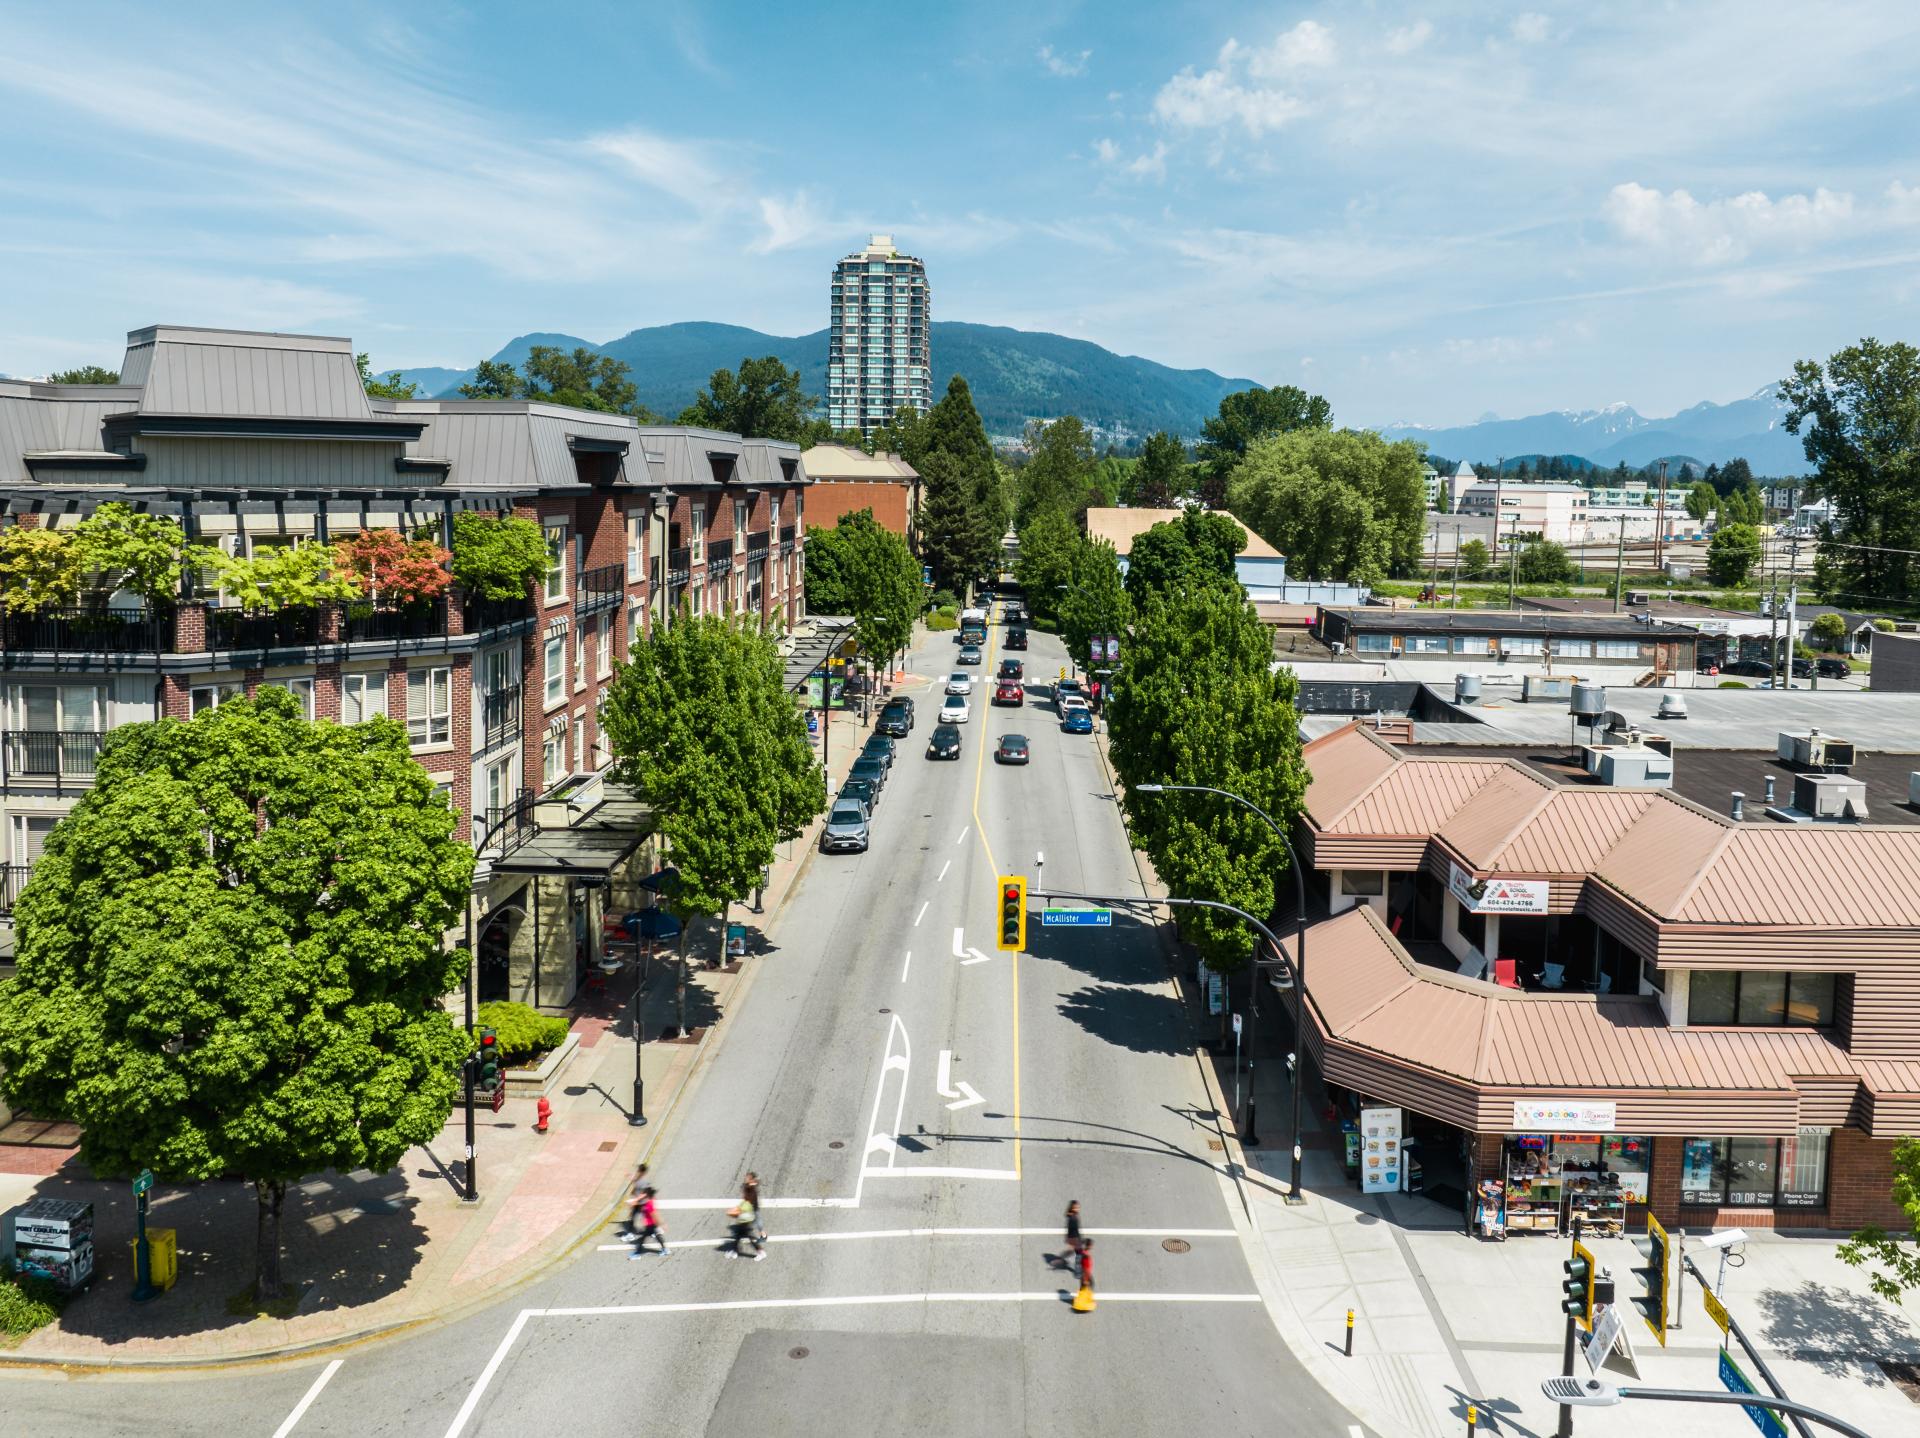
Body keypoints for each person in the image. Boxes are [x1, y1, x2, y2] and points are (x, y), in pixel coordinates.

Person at [628, 1187, 667, 1258]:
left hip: (651, 1225)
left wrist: (662, 1224)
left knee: (644, 1238)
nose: (643, 1194)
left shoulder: (649, 1204)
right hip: (650, 1224)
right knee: (656, 1237)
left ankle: (638, 1253)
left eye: (644, 1193)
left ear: (647, 1194)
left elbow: (655, 1215)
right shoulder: (651, 1200)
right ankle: (665, 1249)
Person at [728, 1182, 762, 1260]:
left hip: (745, 1222)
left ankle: (760, 1252)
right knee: (738, 1237)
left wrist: (731, 1212)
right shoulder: (746, 1202)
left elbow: (738, 1211)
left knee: (746, 1237)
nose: (742, 1192)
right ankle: (734, 1251)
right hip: (744, 1222)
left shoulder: (746, 1203)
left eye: (744, 1191)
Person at [619, 1163, 650, 1242]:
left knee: (634, 1218)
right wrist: (628, 1175)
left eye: (639, 1170)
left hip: (641, 1203)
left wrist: (635, 1200)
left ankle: (630, 1235)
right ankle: (653, 1231)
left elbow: (645, 1193)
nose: (637, 1171)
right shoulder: (638, 1178)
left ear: (642, 1172)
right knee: (636, 1217)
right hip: (638, 1203)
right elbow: (634, 1180)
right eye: (637, 1170)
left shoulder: (644, 1182)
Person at [1062, 1200, 1082, 1264]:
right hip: (1074, 1237)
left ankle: (1068, 1260)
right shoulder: (1072, 1217)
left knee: (1075, 1251)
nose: (1078, 1209)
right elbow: (1073, 1229)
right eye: (1076, 1208)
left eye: (1078, 1207)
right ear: (1072, 1208)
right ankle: (1068, 1261)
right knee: (1078, 1252)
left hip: (1074, 1237)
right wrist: (1078, 1238)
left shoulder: (1073, 1215)